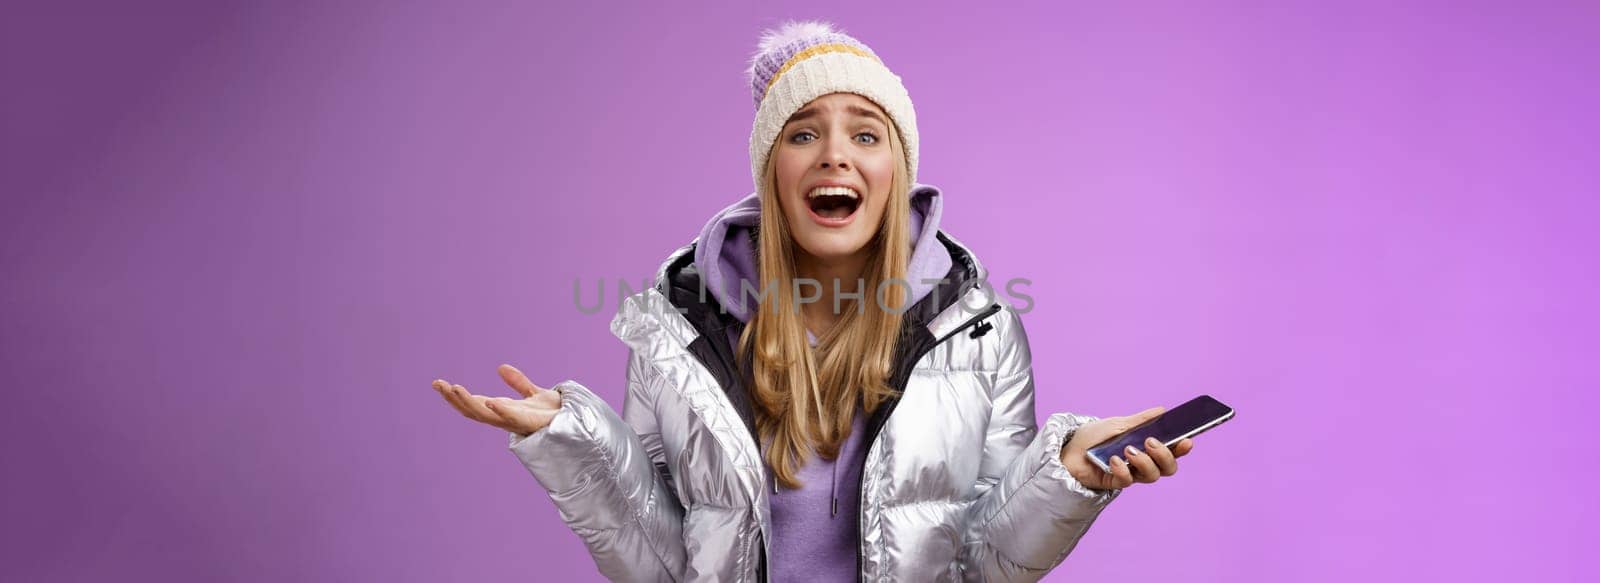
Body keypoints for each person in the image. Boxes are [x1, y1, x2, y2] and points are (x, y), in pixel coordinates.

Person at [430, 20, 1196, 582]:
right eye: (803, 134)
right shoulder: (676, 330)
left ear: (899, 171)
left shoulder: (979, 331)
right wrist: (577, 440)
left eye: (867, 135)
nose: (834, 152)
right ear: (771, 173)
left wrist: (1069, 468)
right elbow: (663, 563)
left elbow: (984, 562)